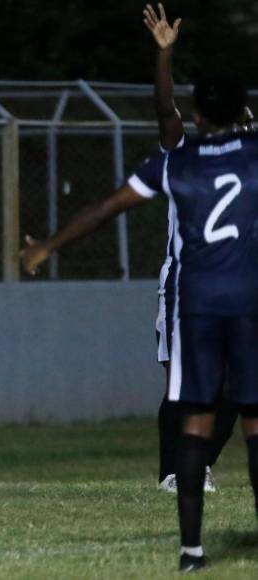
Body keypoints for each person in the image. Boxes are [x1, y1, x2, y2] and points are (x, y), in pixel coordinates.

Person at [22, 73, 258, 571]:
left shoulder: (175, 163)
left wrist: (48, 245)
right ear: (242, 113)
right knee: (253, 420)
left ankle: (191, 550)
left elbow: (108, 207)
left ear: (197, 116)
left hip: (199, 300)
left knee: (194, 420)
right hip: (248, 299)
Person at [142, 3, 238, 495]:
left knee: (234, 388)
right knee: (184, 385)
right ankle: (173, 472)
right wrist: (164, 58)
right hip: (183, 286)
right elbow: (164, 111)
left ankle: (196, 464)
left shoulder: (248, 164)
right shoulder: (183, 154)